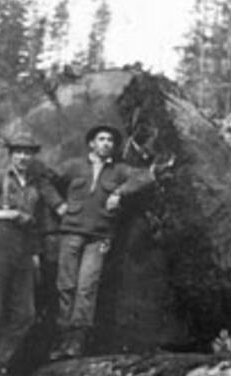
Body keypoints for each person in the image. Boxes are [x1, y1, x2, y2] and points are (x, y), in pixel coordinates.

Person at [50, 123, 172, 360]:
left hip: (99, 237)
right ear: (92, 143)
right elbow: (45, 179)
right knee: (66, 285)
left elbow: (144, 176)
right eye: (101, 139)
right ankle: (62, 338)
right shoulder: (74, 166)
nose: (106, 144)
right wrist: (57, 204)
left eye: (110, 141)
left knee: (87, 286)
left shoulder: (119, 170)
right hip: (71, 232)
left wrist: (119, 192)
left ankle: (77, 342)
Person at [0, 128, 64, 376]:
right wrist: (6, 213)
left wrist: (35, 254)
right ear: (10, 155)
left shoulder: (34, 185)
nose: (23, 157)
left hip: (24, 250)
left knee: (25, 314)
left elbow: (36, 223)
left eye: (28, 153)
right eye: (19, 152)